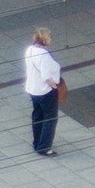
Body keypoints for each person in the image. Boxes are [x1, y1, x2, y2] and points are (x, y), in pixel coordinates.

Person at [24, 26, 64, 156]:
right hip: (45, 91)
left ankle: (37, 143)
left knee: (38, 115)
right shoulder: (44, 55)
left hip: (32, 89)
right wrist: (55, 87)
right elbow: (46, 77)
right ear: (46, 39)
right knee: (50, 118)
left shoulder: (29, 50)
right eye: (50, 37)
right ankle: (44, 147)